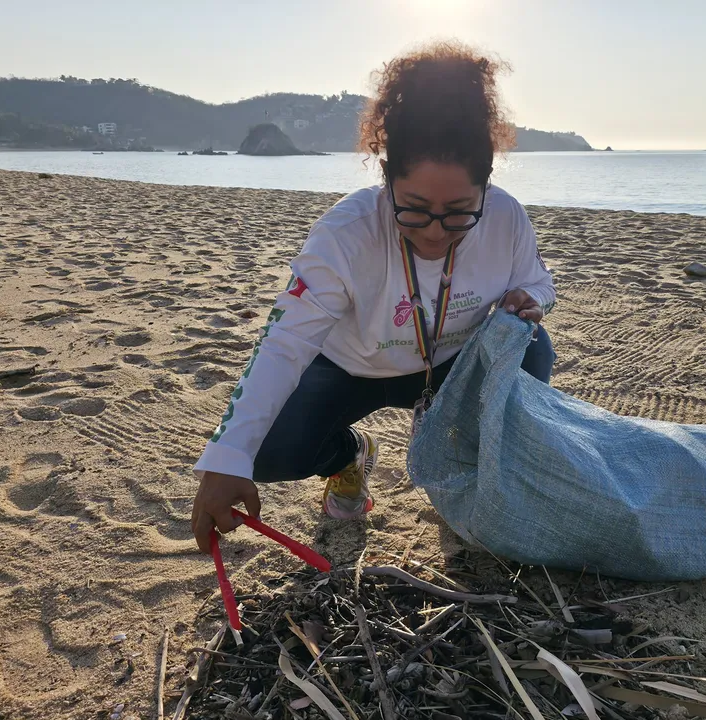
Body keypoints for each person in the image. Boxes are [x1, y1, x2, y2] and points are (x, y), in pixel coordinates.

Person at [191, 42, 556, 553]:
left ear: (486, 186)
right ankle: (349, 457)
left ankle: (474, 473)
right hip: (350, 368)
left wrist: (528, 298)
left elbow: (540, 282)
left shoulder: (506, 217)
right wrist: (224, 458)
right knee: (269, 453)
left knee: (531, 345)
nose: (434, 232)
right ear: (386, 180)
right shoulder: (346, 232)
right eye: (414, 208)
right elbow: (283, 341)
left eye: (458, 211)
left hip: (449, 366)